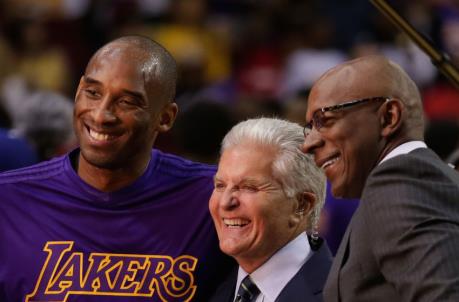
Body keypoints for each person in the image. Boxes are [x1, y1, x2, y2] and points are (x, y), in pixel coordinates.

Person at [0, 36, 233, 302]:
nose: (101, 115)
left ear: (165, 117)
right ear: (78, 92)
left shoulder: (213, 198)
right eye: (93, 93)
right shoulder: (7, 200)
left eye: (127, 102)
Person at [302, 55, 459, 302]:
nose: (308, 144)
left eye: (325, 120)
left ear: (388, 117)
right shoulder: (411, 181)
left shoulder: (401, 181)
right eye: (310, 126)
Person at [209, 117, 332, 302]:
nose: (225, 202)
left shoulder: (343, 292)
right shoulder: (207, 285)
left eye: (249, 187)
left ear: (301, 206)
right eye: (220, 185)